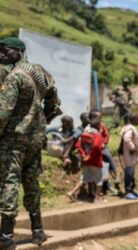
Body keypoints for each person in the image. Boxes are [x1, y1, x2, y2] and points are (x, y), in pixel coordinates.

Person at [0, 37, 60, 248]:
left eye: (5, 51)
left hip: (15, 139)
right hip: (36, 138)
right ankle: (37, 231)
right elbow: (54, 104)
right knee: (31, 181)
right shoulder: (42, 73)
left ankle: (6, 236)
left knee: (10, 180)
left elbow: (3, 114)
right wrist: (39, 120)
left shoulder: (14, 77)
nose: (1, 55)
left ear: (18, 51)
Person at [89, 109, 121, 196]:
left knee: (110, 159)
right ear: (91, 117)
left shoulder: (102, 125)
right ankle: (104, 187)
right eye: (97, 117)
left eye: (100, 117)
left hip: (103, 147)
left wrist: (104, 143)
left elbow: (106, 136)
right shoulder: (89, 127)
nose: (99, 119)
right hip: (95, 150)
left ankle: (116, 176)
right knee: (101, 167)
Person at [75, 118, 105, 203]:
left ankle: (72, 192)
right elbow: (97, 146)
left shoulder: (84, 134)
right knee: (99, 180)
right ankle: (97, 198)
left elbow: (78, 145)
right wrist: (90, 155)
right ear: (99, 126)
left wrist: (84, 154)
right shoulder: (97, 136)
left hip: (85, 160)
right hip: (95, 161)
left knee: (84, 178)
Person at [120, 114, 138, 199]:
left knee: (131, 172)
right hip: (130, 154)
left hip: (133, 155)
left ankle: (132, 190)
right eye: (136, 119)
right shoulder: (129, 129)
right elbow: (127, 138)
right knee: (129, 173)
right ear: (131, 120)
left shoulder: (132, 128)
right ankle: (127, 191)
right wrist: (132, 147)